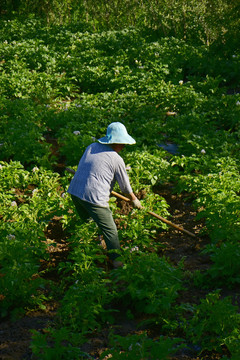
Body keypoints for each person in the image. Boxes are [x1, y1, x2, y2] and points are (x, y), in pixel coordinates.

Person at [67, 122, 142, 268]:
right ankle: (117, 262)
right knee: (111, 231)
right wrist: (134, 199)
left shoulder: (92, 147)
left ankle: (92, 251)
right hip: (94, 197)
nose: (123, 146)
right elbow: (125, 187)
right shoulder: (116, 159)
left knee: (89, 223)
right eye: (122, 143)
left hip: (75, 191)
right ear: (114, 142)